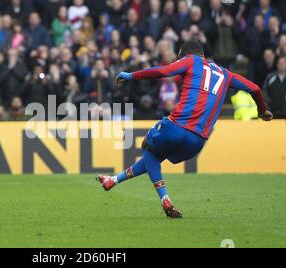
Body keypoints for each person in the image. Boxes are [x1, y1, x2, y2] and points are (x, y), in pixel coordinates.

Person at [97, 40, 273, 218]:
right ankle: (113, 180)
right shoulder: (227, 75)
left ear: (187, 54)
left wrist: (132, 75)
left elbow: (163, 71)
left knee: (147, 148)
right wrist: (262, 110)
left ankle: (164, 197)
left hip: (176, 127)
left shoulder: (191, 61)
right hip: (197, 142)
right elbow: (255, 88)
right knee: (154, 156)